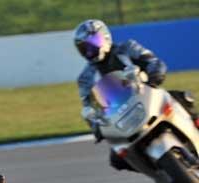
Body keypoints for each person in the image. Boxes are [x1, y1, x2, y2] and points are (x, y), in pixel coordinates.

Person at [74, 19, 199, 171]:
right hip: (119, 116)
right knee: (117, 160)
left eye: (93, 43)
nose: (90, 49)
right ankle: (160, 172)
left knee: (183, 99)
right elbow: (89, 106)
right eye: (85, 48)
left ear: (105, 37)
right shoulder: (86, 78)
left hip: (146, 96)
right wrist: (95, 126)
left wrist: (155, 74)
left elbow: (153, 61)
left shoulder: (127, 48)